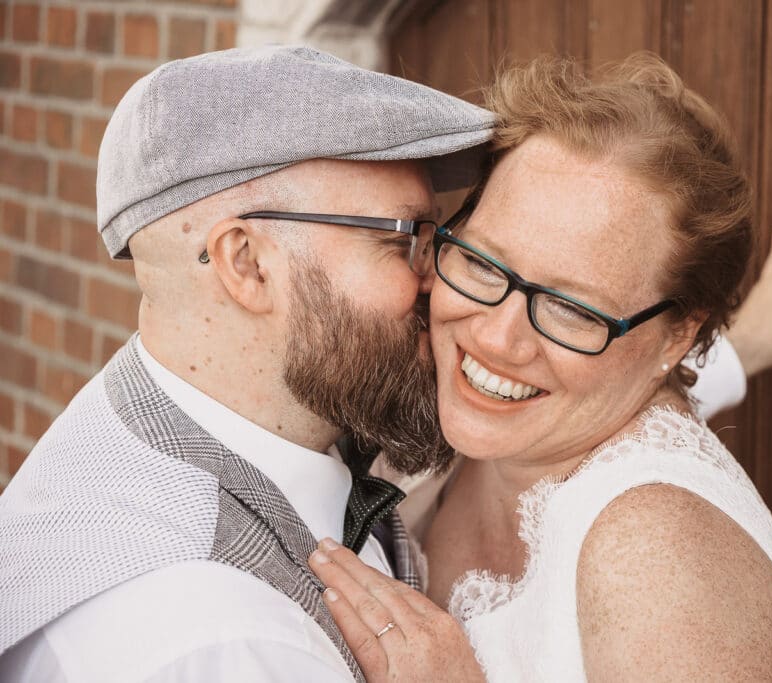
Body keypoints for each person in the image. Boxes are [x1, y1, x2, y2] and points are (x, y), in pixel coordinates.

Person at [307, 54, 772, 681]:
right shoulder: (484, 419)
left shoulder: (658, 563)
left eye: (572, 309)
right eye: (484, 264)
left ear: (679, 333)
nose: (497, 338)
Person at [0, 45, 495, 681]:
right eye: (405, 240)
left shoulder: (134, 426)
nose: (440, 282)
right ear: (247, 263)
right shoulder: (222, 642)